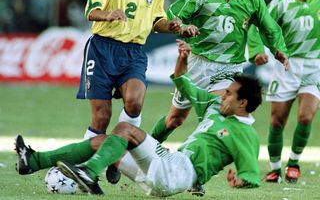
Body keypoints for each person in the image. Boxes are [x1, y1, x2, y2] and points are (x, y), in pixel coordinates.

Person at [15, 40, 263, 196]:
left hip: (179, 175)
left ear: (243, 103)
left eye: (229, 94)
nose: (223, 96)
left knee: (125, 128)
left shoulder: (245, 134)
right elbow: (183, 84)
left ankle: (89, 172)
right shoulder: (212, 104)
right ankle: (33, 160)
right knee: (102, 140)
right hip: (167, 163)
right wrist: (182, 61)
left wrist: (239, 181)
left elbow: (251, 175)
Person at [151, 0, 288, 151]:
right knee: (174, 120)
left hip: (228, 69)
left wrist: (280, 50)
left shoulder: (252, 0)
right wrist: (183, 26)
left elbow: (269, 28)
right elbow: (172, 16)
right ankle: (145, 147)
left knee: (215, 115)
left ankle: (191, 165)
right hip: (197, 65)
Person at [79, 0, 197, 139]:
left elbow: (156, 21)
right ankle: (84, 168)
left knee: (134, 103)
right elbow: (90, 12)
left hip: (133, 51)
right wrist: (108, 15)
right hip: (102, 48)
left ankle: (116, 159)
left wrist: (173, 26)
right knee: (101, 117)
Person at [248, 0, 320, 183]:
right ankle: (274, 167)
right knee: (277, 121)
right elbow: (259, 26)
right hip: (286, 67)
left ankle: (295, 163)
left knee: (306, 117)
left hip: (314, 67)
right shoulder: (280, 3)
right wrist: (257, 50)